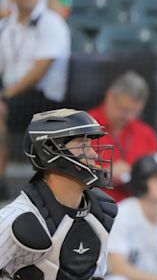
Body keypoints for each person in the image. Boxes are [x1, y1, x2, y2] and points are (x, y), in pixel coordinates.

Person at [0, 108, 117, 279]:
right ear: (49, 150)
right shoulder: (16, 218)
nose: (93, 155)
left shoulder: (101, 213)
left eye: (90, 146)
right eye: (82, 145)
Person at [0, 0, 70, 200]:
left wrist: (8, 94)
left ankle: (0, 182)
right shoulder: (5, 27)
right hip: (12, 94)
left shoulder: (50, 22)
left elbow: (41, 69)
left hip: (44, 98)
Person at [88, 71, 157, 202]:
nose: (129, 117)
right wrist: (105, 175)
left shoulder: (146, 134)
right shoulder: (84, 127)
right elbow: (70, 177)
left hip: (135, 211)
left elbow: (155, 179)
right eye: (124, 110)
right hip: (93, 207)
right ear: (110, 96)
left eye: (135, 112)